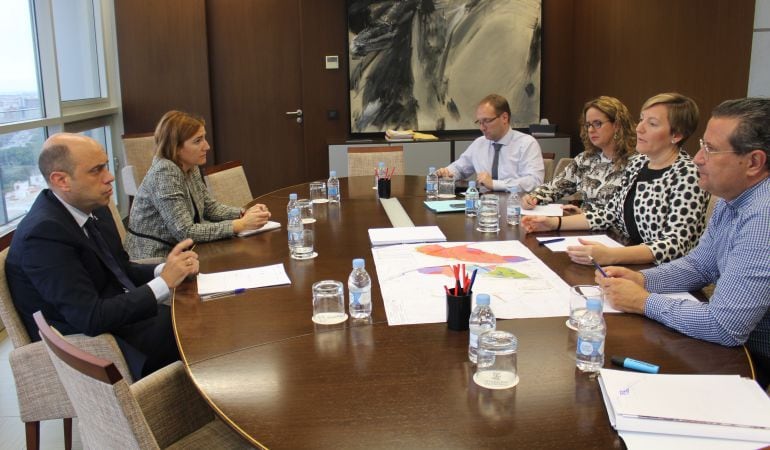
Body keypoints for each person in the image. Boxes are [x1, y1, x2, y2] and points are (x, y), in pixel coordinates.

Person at [597, 98, 770, 387]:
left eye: (711, 150)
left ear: (753, 162)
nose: (698, 158)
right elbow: (699, 266)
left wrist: (643, 301)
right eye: (703, 145)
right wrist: (641, 279)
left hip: (753, 363)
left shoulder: (762, 216)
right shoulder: (734, 199)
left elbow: (724, 326)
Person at [5, 133, 198, 379]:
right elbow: (90, 317)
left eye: (106, 166)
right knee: (198, 329)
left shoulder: (93, 207)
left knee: (199, 313)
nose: (110, 177)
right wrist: (164, 283)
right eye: (97, 170)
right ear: (61, 180)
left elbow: (120, 269)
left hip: (115, 320)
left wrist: (165, 269)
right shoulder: (43, 235)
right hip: (90, 347)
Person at [522, 93, 709, 266]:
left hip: (665, 274)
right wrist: (553, 223)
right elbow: (609, 213)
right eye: (641, 120)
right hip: (630, 263)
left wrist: (610, 256)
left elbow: (674, 245)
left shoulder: (688, 174)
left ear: (676, 135)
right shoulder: (639, 164)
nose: (639, 128)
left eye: (651, 124)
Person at [126, 110, 271, 259]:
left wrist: (243, 213)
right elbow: (185, 232)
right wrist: (240, 225)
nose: (206, 146)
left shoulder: (190, 166)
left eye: (204, 138)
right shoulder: (164, 172)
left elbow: (209, 207)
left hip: (184, 251)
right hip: (155, 258)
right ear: (175, 147)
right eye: (197, 141)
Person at [522, 96, 636, 213]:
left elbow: (627, 212)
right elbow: (555, 187)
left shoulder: (636, 162)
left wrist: (585, 215)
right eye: (588, 125)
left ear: (616, 125)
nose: (591, 130)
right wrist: (533, 197)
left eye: (597, 124)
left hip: (612, 230)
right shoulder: (586, 159)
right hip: (583, 227)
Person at [435, 94, 544, 192]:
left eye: (487, 121)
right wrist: (447, 173)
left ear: (504, 118)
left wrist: (495, 184)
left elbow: (534, 181)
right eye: (480, 122)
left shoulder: (526, 143)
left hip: (516, 207)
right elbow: (460, 168)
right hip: (484, 207)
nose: (482, 128)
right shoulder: (479, 143)